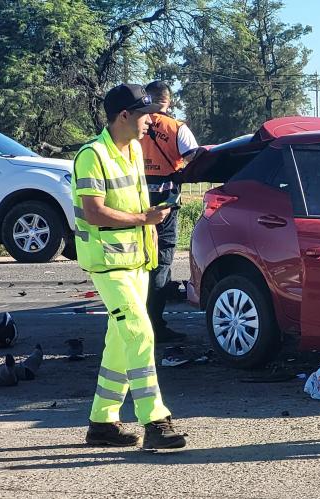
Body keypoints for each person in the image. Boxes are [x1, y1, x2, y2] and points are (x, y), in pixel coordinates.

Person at [72, 83, 188, 448]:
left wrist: (150, 224)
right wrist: (143, 219)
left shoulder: (134, 149)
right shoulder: (91, 155)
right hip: (107, 264)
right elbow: (93, 211)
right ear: (124, 115)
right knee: (139, 332)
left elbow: (136, 198)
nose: (150, 124)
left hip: (136, 261)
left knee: (119, 343)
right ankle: (155, 420)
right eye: (144, 117)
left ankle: (102, 423)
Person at [140, 81, 199, 344]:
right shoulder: (177, 128)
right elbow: (195, 161)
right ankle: (154, 324)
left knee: (137, 262)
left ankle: (137, 319)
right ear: (169, 101)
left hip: (133, 203)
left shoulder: (133, 125)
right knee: (161, 261)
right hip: (164, 205)